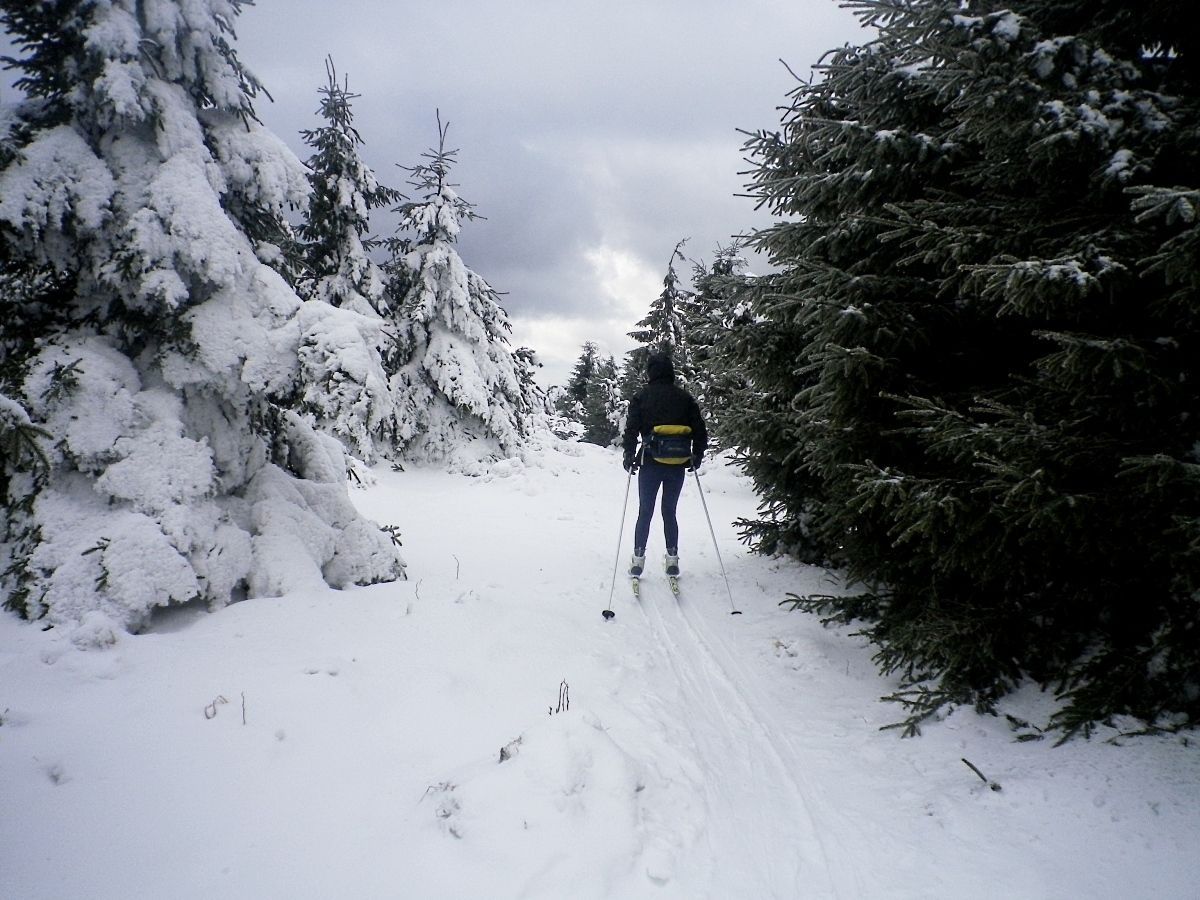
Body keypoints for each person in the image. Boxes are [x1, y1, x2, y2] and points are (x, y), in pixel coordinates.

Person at [621, 351, 707, 579]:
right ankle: (672, 559)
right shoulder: (684, 398)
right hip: (677, 463)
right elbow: (700, 430)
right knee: (669, 511)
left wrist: (629, 454)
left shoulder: (642, 397)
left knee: (645, 511)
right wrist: (697, 455)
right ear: (671, 372)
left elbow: (631, 429)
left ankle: (638, 559)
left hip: (650, 462)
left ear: (650, 372)